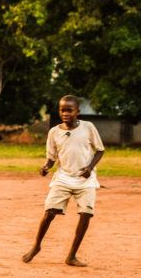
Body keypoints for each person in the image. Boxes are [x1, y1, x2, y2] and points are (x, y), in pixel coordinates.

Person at [22, 95, 105, 267]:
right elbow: (51, 158)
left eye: (69, 110)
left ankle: (72, 256)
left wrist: (89, 168)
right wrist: (45, 167)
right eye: (62, 110)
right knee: (49, 212)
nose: (65, 113)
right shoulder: (54, 132)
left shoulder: (88, 127)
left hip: (85, 180)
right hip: (63, 178)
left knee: (86, 214)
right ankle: (36, 246)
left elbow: (100, 151)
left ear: (77, 112)